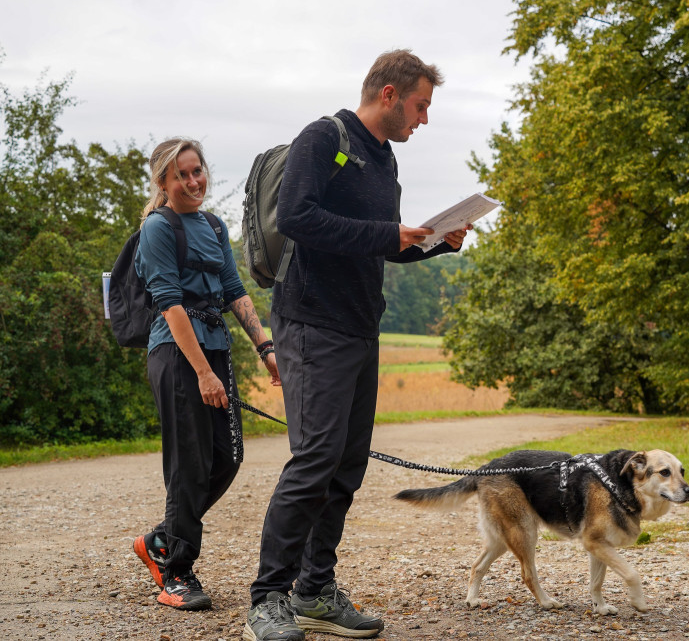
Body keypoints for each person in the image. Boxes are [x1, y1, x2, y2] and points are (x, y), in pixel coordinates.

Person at [243, 50, 469, 641]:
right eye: (420, 106)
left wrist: (437, 242)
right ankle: (267, 599)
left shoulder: (383, 159)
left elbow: (382, 245)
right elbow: (296, 217)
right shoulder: (325, 137)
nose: (423, 119)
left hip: (359, 326)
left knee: (345, 467)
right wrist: (385, 232)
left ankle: (314, 590)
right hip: (311, 322)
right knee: (314, 460)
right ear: (389, 94)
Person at [132, 138, 280, 611]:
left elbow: (235, 290)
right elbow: (170, 303)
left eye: (197, 171)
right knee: (189, 466)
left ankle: (160, 540)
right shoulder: (158, 228)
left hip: (215, 353)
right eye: (182, 175)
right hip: (179, 357)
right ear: (163, 182)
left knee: (227, 457)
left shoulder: (214, 225)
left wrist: (266, 348)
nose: (194, 181)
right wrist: (201, 372)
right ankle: (175, 572)